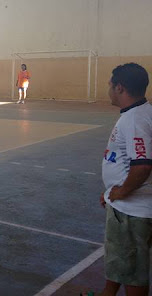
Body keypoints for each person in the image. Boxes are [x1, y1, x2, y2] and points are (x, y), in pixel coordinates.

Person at [88, 63, 152, 296]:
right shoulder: (140, 113)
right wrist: (111, 194)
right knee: (121, 260)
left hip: (132, 210)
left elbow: (143, 165)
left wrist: (122, 192)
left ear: (120, 88)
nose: (108, 89)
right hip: (124, 204)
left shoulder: (135, 120)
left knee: (133, 270)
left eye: (110, 85)